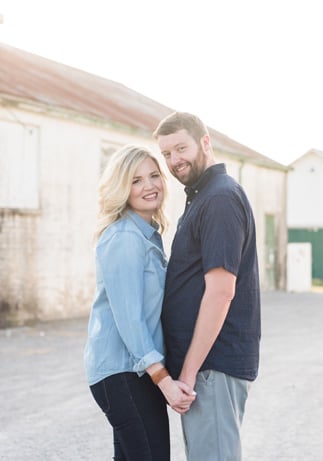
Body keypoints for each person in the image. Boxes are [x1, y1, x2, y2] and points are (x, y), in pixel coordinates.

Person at [153, 112, 261, 461]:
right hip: (204, 368)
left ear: (205, 142)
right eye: (166, 154)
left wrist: (187, 372)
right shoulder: (203, 197)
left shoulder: (219, 199)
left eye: (180, 148)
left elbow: (220, 291)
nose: (174, 161)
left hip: (211, 367)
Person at [84, 145, 196, 461]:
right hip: (121, 372)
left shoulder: (148, 235)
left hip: (139, 371)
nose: (149, 186)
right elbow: (129, 319)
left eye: (153, 175)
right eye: (135, 181)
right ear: (122, 188)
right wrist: (164, 380)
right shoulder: (124, 238)